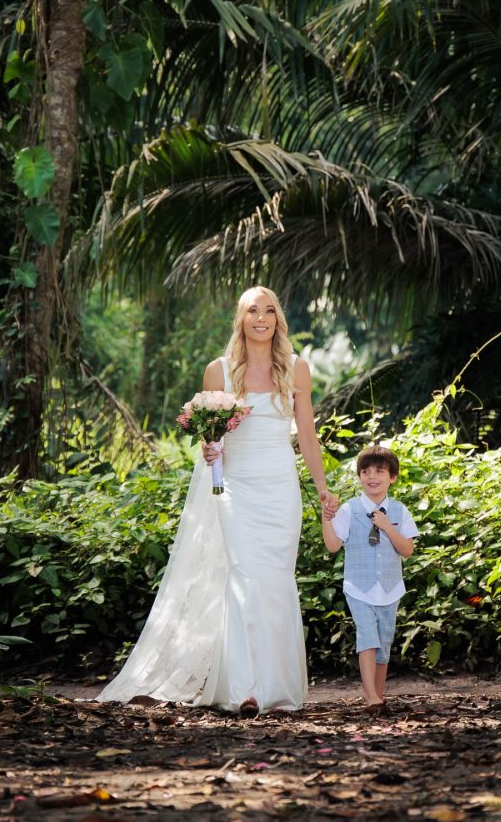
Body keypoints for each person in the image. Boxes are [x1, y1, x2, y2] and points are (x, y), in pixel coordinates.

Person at [97, 285, 337, 715]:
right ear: (241, 319)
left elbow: (307, 434)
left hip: (280, 487)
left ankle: (277, 687)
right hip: (236, 489)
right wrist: (211, 451)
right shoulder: (219, 372)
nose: (261, 318)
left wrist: (321, 488)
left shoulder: (297, 369)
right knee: (243, 576)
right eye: (252, 311)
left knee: (275, 580)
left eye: (269, 311)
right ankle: (245, 690)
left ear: (278, 319)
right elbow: (212, 439)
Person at [321, 445, 417, 711]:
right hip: (359, 588)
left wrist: (387, 527)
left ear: (392, 477)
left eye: (379, 471)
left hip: (390, 588)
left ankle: (378, 695)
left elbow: (407, 550)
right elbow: (332, 545)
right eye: (365, 472)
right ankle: (370, 696)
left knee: (384, 643)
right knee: (367, 636)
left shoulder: (399, 511)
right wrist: (326, 517)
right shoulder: (349, 510)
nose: (372, 476)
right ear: (359, 476)